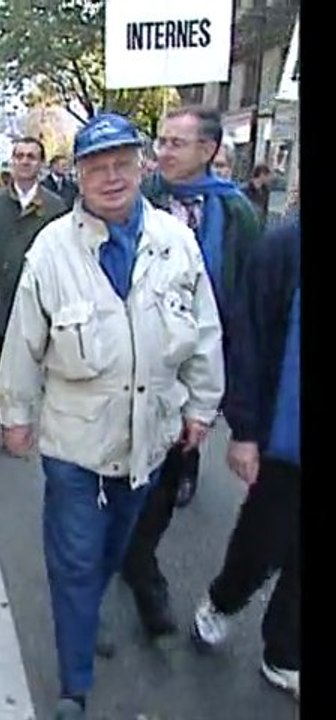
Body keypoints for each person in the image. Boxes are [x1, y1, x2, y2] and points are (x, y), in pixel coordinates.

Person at [0, 113, 224, 719]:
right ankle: (74, 685)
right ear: (77, 176)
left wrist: (203, 406)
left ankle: (86, 609)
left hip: (148, 439)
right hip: (75, 443)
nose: (111, 176)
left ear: (142, 166)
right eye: (96, 166)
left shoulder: (176, 243)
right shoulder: (51, 248)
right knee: (74, 559)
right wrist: (15, 413)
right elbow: (24, 340)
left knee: (110, 551)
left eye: (122, 162)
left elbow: (203, 332)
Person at [126, 105, 260, 639]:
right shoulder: (138, 200)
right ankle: (130, 564)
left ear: (209, 150)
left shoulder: (239, 215)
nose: (163, 153)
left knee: (167, 475)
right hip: (136, 363)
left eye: (176, 144)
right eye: (160, 142)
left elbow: (247, 297)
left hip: (200, 363)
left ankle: (141, 561)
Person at [191, 216, 300, 702]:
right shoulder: (283, 248)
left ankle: (283, 651)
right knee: (266, 538)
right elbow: (250, 340)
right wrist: (246, 431)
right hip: (286, 432)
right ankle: (223, 599)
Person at [0, 138, 66, 431]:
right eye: (19, 156)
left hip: (35, 297)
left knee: (27, 362)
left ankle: (18, 418)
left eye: (32, 157)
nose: (25, 161)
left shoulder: (55, 206)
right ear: (11, 162)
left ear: (40, 164)